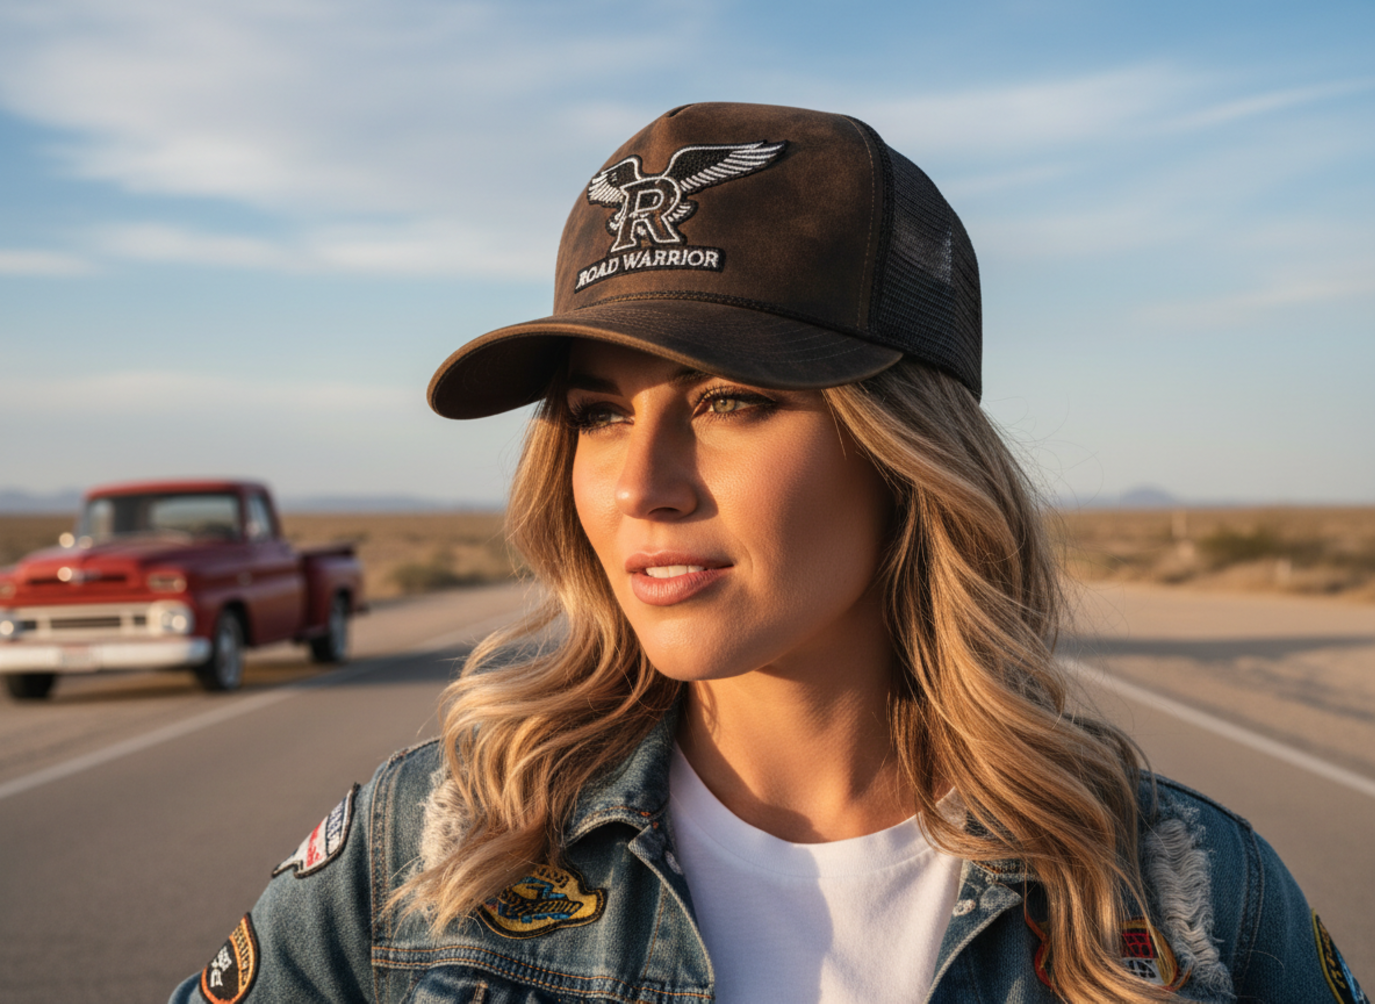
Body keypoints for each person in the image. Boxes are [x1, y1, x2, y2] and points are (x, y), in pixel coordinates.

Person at [172, 102, 1366, 1004]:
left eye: (731, 399)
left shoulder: (1178, 890)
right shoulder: (433, 847)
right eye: (598, 412)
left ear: (905, 449)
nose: (639, 484)